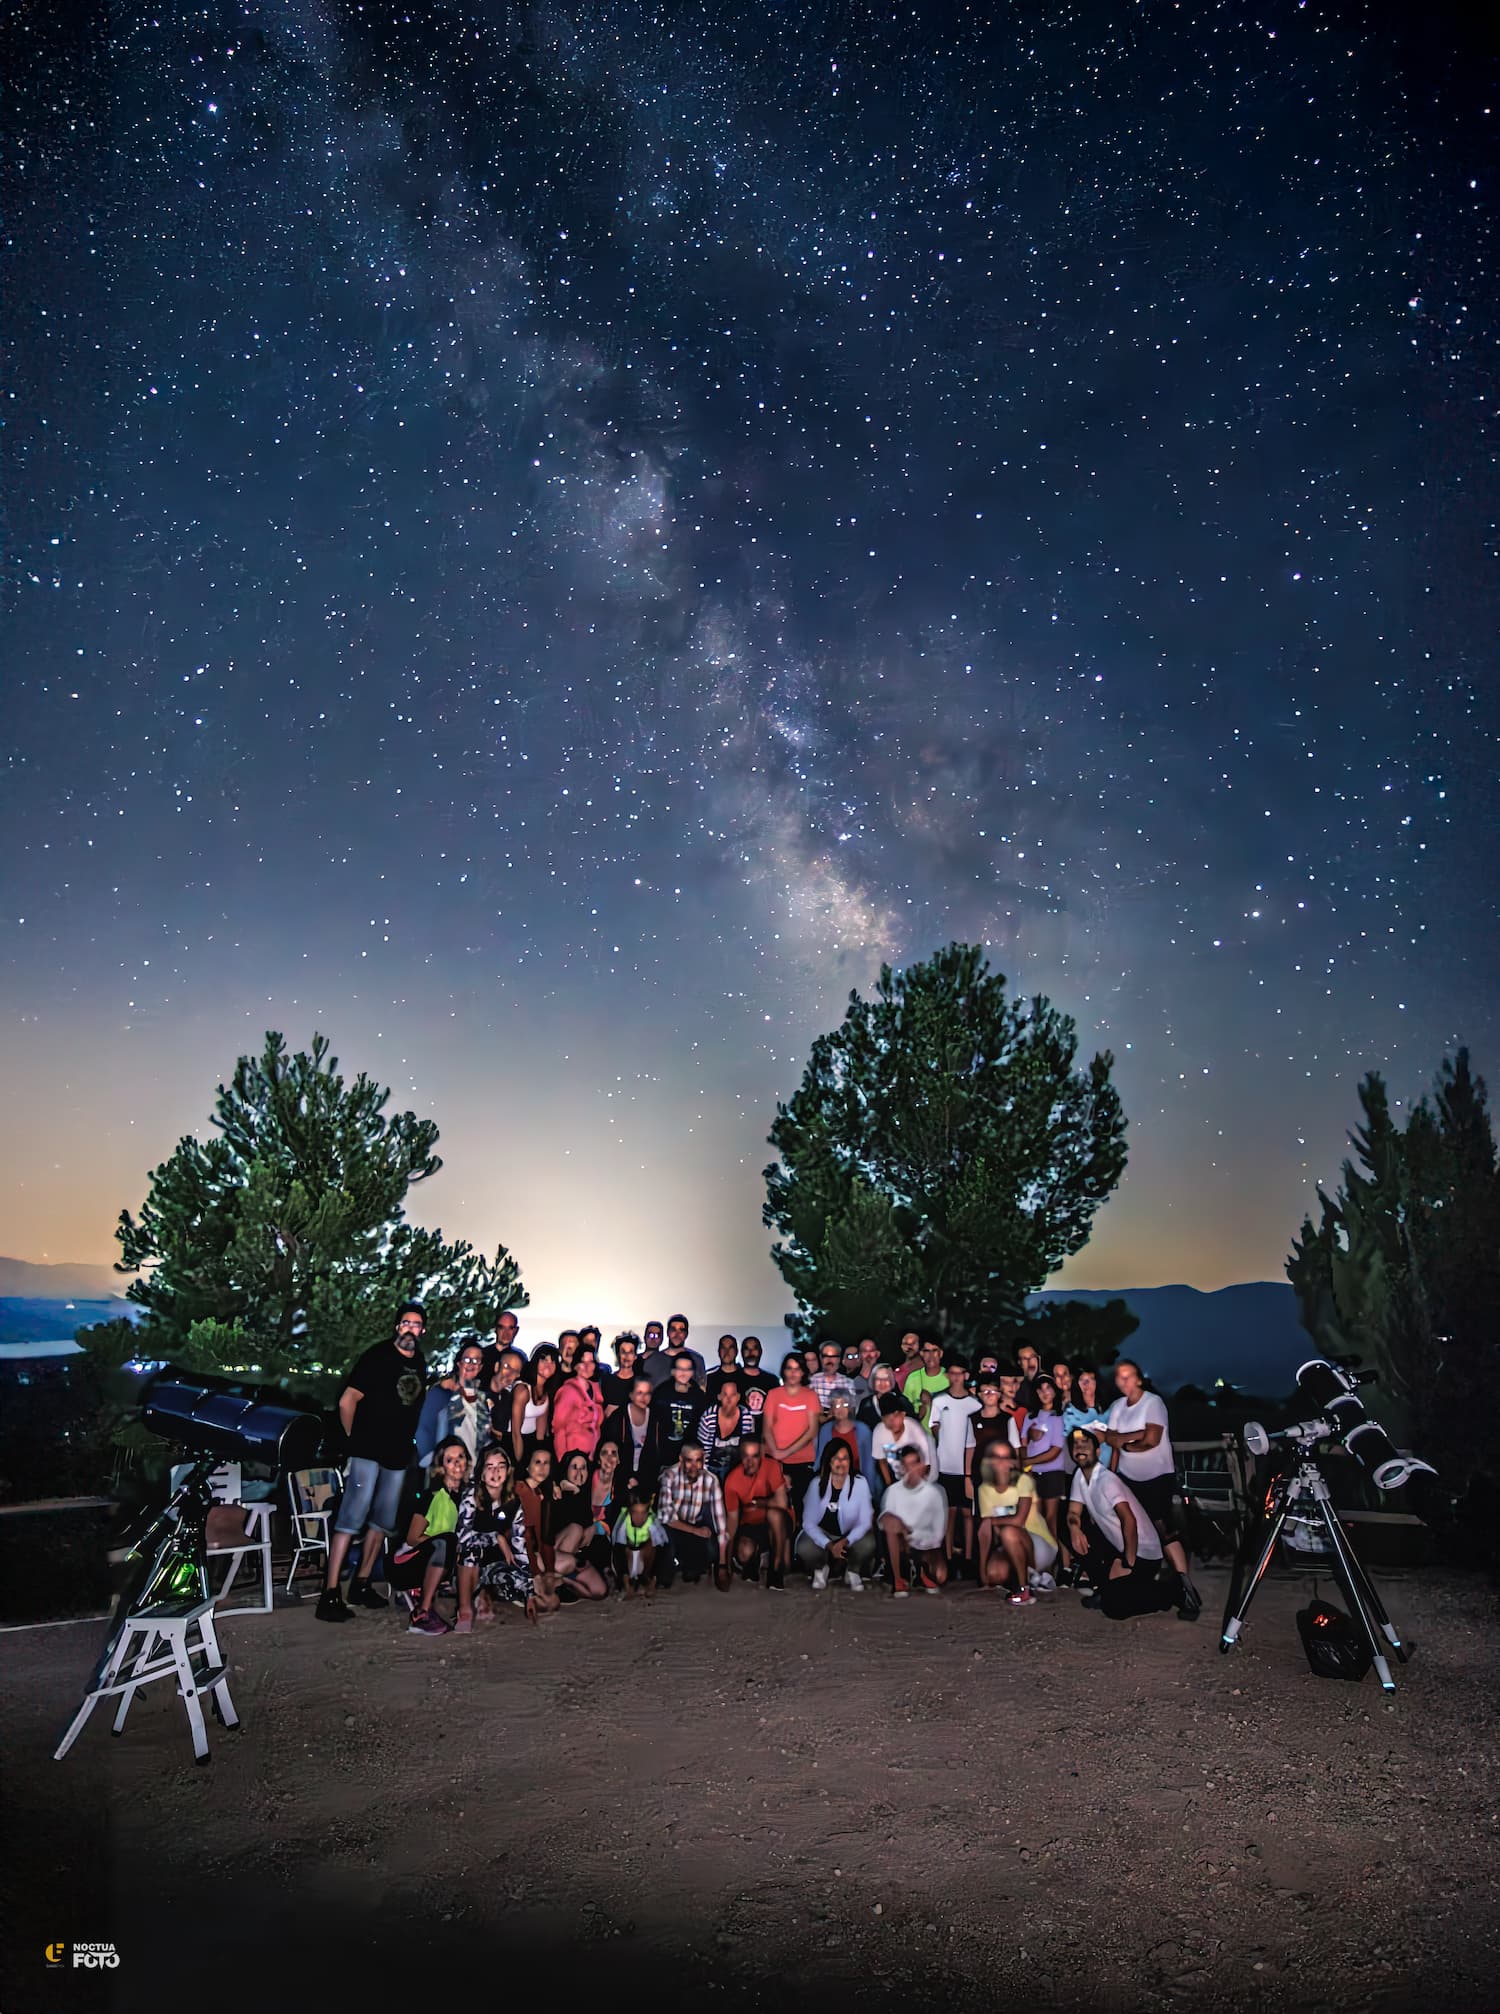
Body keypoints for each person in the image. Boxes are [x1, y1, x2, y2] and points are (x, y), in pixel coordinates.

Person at [318, 1301, 429, 1623]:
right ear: (397, 1327)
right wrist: (355, 1442)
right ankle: (330, 1592)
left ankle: (361, 1584)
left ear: (422, 1330)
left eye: (416, 1324)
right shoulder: (378, 1356)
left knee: (382, 1522)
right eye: (405, 1323)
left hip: (396, 1457)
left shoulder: (419, 1361)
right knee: (350, 1520)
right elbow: (347, 1400)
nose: (410, 1329)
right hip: (367, 1453)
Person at [1095, 1360, 1202, 1618]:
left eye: (1129, 1376)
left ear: (1139, 1379)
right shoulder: (1118, 1406)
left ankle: (1185, 1588)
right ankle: (1120, 1585)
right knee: (1125, 1528)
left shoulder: (1153, 1403)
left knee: (1162, 1529)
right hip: (1128, 1478)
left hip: (1156, 1477)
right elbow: (1109, 1439)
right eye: (1119, 1377)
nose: (1124, 1381)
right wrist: (1114, 1469)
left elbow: (1151, 1440)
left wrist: (1126, 1441)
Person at [1066, 1427, 1183, 1620]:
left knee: (1115, 1609)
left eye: (1085, 1444)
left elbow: (1129, 1520)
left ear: (1097, 1452)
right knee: (1073, 1532)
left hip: (1142, 1553)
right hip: (1117, 1546)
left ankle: (1172, 1590)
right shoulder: (1079, 1476)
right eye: (1076, 1445)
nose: (1080, 1448)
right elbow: (1073, 1512)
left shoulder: (1106, 1480)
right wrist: (1073, 1527)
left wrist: (1128, 1563)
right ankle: (1106, 1587)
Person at [454, 1444, 546, 1632]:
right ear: (481, 1472)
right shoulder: (471, 1496)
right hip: (466, 1565)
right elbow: (462, 1538)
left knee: (525, 1585)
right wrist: (496, 1538)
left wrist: (529, 1592)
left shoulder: (513, 1502)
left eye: (501, 1466)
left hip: (493, 1565)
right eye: (490, 1466)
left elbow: (520, 1547)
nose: (495, 1472)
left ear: (508, 1470)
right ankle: (464, 1610)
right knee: (470, 1553)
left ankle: (485, 1593)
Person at [390, 1436, 469, 1634]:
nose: (457, 1463)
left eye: (461, 1457)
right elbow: (412, 1538)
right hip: (408, 1562)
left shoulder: (467, 1496)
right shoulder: (432, 1496)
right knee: (447, 1541)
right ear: (441, 1466)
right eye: (450, 1459)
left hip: (442, 1561)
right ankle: (422, 1613)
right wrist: (449, 1548)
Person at [976, 1441, 1058, 1605]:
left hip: (1040, 1544)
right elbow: (985, 1531)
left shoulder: (1023, 1481)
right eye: (996, 1457)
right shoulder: (984, 1489)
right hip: (1009, 1545)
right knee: (993, 1574)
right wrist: (982, 1571)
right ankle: (1033, 1578)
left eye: (1006, 1457)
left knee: (1009, 1531)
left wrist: (991, 1521)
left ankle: (1024, 1589)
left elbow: (1019, 1520)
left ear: (1013, 1461)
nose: (1001, 1462)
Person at [797, 1440, 877, 1591]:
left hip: (849, 1534)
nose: (841, 1463)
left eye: (845, 1458)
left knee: (868, 1542)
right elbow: (808, 1522)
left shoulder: (860, 1483)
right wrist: (829, 1545)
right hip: (824, 1533)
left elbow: (865, 1520)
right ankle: (820, 1569)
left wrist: (845, 1541)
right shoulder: (816, 1483)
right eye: (836, 1458)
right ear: (828, 1461)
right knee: (804, 1546)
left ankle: (853, 1570)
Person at [927, 1356, 981, 1573]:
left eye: (960, 1373)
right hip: (945, 1465)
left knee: (968, 1513)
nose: (956, 1377)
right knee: (949, 1513)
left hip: (966, 1467)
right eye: (952, 1373)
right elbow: (933, 1425)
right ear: (947, 1375)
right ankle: (948, 1557)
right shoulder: (939, 1401)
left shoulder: (975, 1403)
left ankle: (968, 1558)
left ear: (966, 1376)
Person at [655, 1442, 730, 1589]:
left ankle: (688, 1565)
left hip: (694, 1524)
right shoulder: (669, 1477)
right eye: (689, 1461)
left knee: (711, 1550)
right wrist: (697, 1531)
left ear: (703, 1460)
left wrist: (722, 1565)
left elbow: (720, 1524)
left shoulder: (711, 1480)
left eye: (698, 1460)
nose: (694, 1466)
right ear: (681, 1460)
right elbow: (667, 1518)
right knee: (665, 1562)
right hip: (672, 1527)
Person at [878, 1442, 949, 1596]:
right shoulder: (892, 1492)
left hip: (924, 1546)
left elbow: (938, 1534)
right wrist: (903, 1531)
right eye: (907, 1465)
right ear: (902, 1469)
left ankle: (919, 1571)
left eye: (915, 1464)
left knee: (940, 1575)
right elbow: (884, 1523)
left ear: (922, 1465)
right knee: (890, 1522)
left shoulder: (934, 1493)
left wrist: (914, 1540)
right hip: (900, 1544)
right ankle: (898, 1580)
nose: (912, 1470)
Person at [1015, 1372, 1069, 1567]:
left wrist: (1028, 1461)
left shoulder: (1059, 1418)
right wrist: (1025, 1464)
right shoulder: (1031, 1417)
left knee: (1051, 1519)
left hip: (1052, 1473)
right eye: (1041, 1389)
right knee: (1034, 1518)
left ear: (1055, 1392)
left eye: (1049, 1389)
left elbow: (1055, 1451)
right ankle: (1036, 1561)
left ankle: (1053, 1566)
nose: (1045, 1393)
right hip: (1031, 1474)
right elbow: (1022, 1444)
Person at [723, 1437, 792, 1589]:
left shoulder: (772, 1466)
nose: (750, 1461)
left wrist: (758, 1503)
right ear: (740, 1457)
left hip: (777, 1523)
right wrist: (725, 1564)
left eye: (754, 1456)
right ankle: (756, 1558)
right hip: (751, 1524)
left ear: (761, 1455)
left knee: (774, 1515)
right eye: (746, 1456)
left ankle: (775, 1570)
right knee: (743, 1553)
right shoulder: (732, 1480)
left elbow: (782, 1503)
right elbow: (731, 1524)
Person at [761, 1353, 822, 1513]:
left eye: (797, 1369)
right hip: (774, 1458)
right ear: (784, 1371)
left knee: (800, 1505)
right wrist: (776, 1452)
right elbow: (766, 1427)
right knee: (774, 1507)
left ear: (803, 1372)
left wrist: (786, 1452)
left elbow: (812, 1430)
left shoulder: (811, 1396)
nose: (793, 1373)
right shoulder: (774, 1394)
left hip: (802, 1460)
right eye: (789, 1368)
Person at [415, 1339, 489, 1468]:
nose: (471, 1364)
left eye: (476, 1360)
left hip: (473, 1467)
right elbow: (423, 1428)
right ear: (459, 1363)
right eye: (467, 1359)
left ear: (481, 1367)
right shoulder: (441, 1392)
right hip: (445, 1466)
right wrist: (433, 1460)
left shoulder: (482, 1397)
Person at [548, 1449, 610, 1601]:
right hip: (553, 1555)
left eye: (583, 1468)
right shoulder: (557, 1492)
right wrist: (571, 1490)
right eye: (574, 1467)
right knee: (575, 1529)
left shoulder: (590, 1493)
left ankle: (564, 1581)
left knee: (600, 1591)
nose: (579, 1472)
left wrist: (595, 1527)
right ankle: (555, 1583)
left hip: (576, 1558)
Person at [603, 1371, 668, 1492]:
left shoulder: (657, 1418)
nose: (644, 1398)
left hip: (647, 1478)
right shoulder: (618, 1418)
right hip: (621, 1478)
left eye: (647, 1393)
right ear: (631, 1395)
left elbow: (659, 1451)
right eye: (639, 1393)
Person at [551, 1343, 606, 1463]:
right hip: (572, 1458)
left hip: (591, 1457)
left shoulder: (596, 1389)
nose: (587, 1366)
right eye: (582, 1362)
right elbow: (558, 1429)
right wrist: (563, 1460)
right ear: (576, 1365)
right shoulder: (567, 1391)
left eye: (591, 1362)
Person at [871, 1391, 936, 1491]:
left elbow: (927, 1463)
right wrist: (889, 1486)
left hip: (924, 1476)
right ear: (883, 1420)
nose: (892, 1421)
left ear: (903, 1414)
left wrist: (919, 1486)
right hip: (898, 1478)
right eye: (888, 1418)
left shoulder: (914, 1428)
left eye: (895, 1416)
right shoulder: (879, 1432)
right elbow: (882, 1461)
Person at [815, 1389, 877, 1493]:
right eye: (836, 1406)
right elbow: (820, 1461)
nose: (840, 1409)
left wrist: (869, 1491)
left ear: (850, 1407)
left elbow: (869, 1465)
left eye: (845, 1404)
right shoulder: (825, 1430)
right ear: (832, 1409)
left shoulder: (863, 1430)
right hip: (832, 1482)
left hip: (858, 1482)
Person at [651, 1353, 707, 1464]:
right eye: (680, 1368)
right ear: (673, 1371)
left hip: (689, 1456)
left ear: (692, 1372)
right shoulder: (661, 1392)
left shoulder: (698, 1396)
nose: (683, 1373)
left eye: (687, 1369)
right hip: (663, 1455)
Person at [612, 1487, 668, 1596]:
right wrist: (625, 1580)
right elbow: (617, 1549)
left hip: (645, 1559)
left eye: (643, 1513)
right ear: (629, 1511)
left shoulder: (652, 1520)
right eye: (635, 1513)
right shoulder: (624, 1519)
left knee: (654, 1544)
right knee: (623, 1547)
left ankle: (646, 1580)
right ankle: (627, 1583)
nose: (639, 1517)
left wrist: (654, 1580)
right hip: (628, 1557)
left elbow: (663, 1548)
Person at [697, 1373, 755, 1478]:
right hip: (710, 1468)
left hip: (736, 1469)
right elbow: (702, 1452)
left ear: (738, 1397)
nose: (729, 1400)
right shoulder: (708, 1418)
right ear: (719, 1397)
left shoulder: (746, 1417)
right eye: (725, 1395)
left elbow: (747, 1450)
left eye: (732, 1395)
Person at [512, 1343, 561, 1464]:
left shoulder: (546, 1393)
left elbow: (540, 1435)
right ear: (535, 1362)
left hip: (530, 1441)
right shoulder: (522, 1390)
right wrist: (520, 1465)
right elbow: (515, 1433)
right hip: (513, 1442)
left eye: (552, 1361)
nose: (548, 1364)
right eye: (543, 1359)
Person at [515, 1445, 555, 1580]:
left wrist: (550, 1572)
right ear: (528, 1466)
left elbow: (541, 1536)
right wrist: (536, 1574)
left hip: (533, 1551)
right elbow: (524, 1537)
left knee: (568, 1563)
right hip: (517, 1552)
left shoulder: (539, 1493)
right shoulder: (520, 1490)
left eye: (546, 1463)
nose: (542, 1468)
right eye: (537, 1462)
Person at [903, 1336, 950, 1424]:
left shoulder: (951, 1377)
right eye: (926, 1351)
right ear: (921, 1353)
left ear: (941, 1353)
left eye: (934, 1350)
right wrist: (919, 1412)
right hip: (919, 1434)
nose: (931, 1355)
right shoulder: (913, 1379)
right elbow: (905, 1413)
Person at [857, 1364, 913, 1433]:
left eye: (886, 1379)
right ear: (873, 1381)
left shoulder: (902, 1402)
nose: (882, 1383)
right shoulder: (865, 1404)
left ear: (891, 1380)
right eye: (878, 1379)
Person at [810, 1340, 858, 1418]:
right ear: (821, 1358)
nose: (829, 1360)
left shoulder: (848, 1383)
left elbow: (851, 1412)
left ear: (839, 1359)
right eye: (826, 1356)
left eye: (833, 1356)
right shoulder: (813, 1381)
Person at [736, 1336, 779, 1417]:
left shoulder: (772, 1380)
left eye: (754, 1349)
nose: (751, 1352)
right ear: (741, 1352)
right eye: (747, 1349)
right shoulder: (732, 1378)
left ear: (760, 1352)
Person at [662, 1313, 705, 1386]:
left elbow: (702, 1389)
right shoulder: (656, 1359)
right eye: (673, 1329)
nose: (677, 1334)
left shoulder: (697, 1360)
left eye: (681, 1330)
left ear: (686, 1334)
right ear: (667, 1332)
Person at [602, 1332, 641, 1410]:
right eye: (623, 1352)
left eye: (630, 1352)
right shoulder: (607, 1380)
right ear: (618, 1354)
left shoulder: (640, 1382)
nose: (627, 1356)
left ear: (635, 1356)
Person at [638, 1319, 668, 1385]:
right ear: (644, 1337)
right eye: (650, 1335)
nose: (653, 1338)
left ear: (662, 1339)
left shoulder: (667, 1362)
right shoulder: (634, 1359)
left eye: (657, 1335)